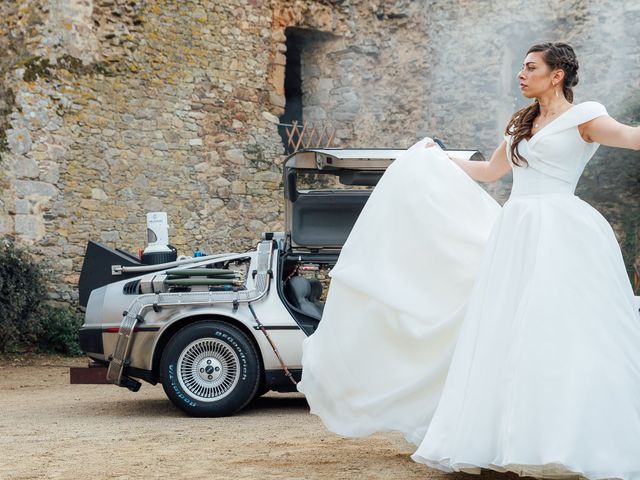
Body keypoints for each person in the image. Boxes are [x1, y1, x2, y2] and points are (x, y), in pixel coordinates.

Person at [296, 41, 640, 479]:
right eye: (521, 66)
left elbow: (630, 137)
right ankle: (502, 438)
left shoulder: (585, 116)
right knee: (503, 329)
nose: (521, 73)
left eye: (530, 67)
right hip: (515, 230)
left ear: (557, 75)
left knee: (562, 328)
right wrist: (433, 161)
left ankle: (573, 435)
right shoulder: (523, 123)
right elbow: (490, 173)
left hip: (561, 230)